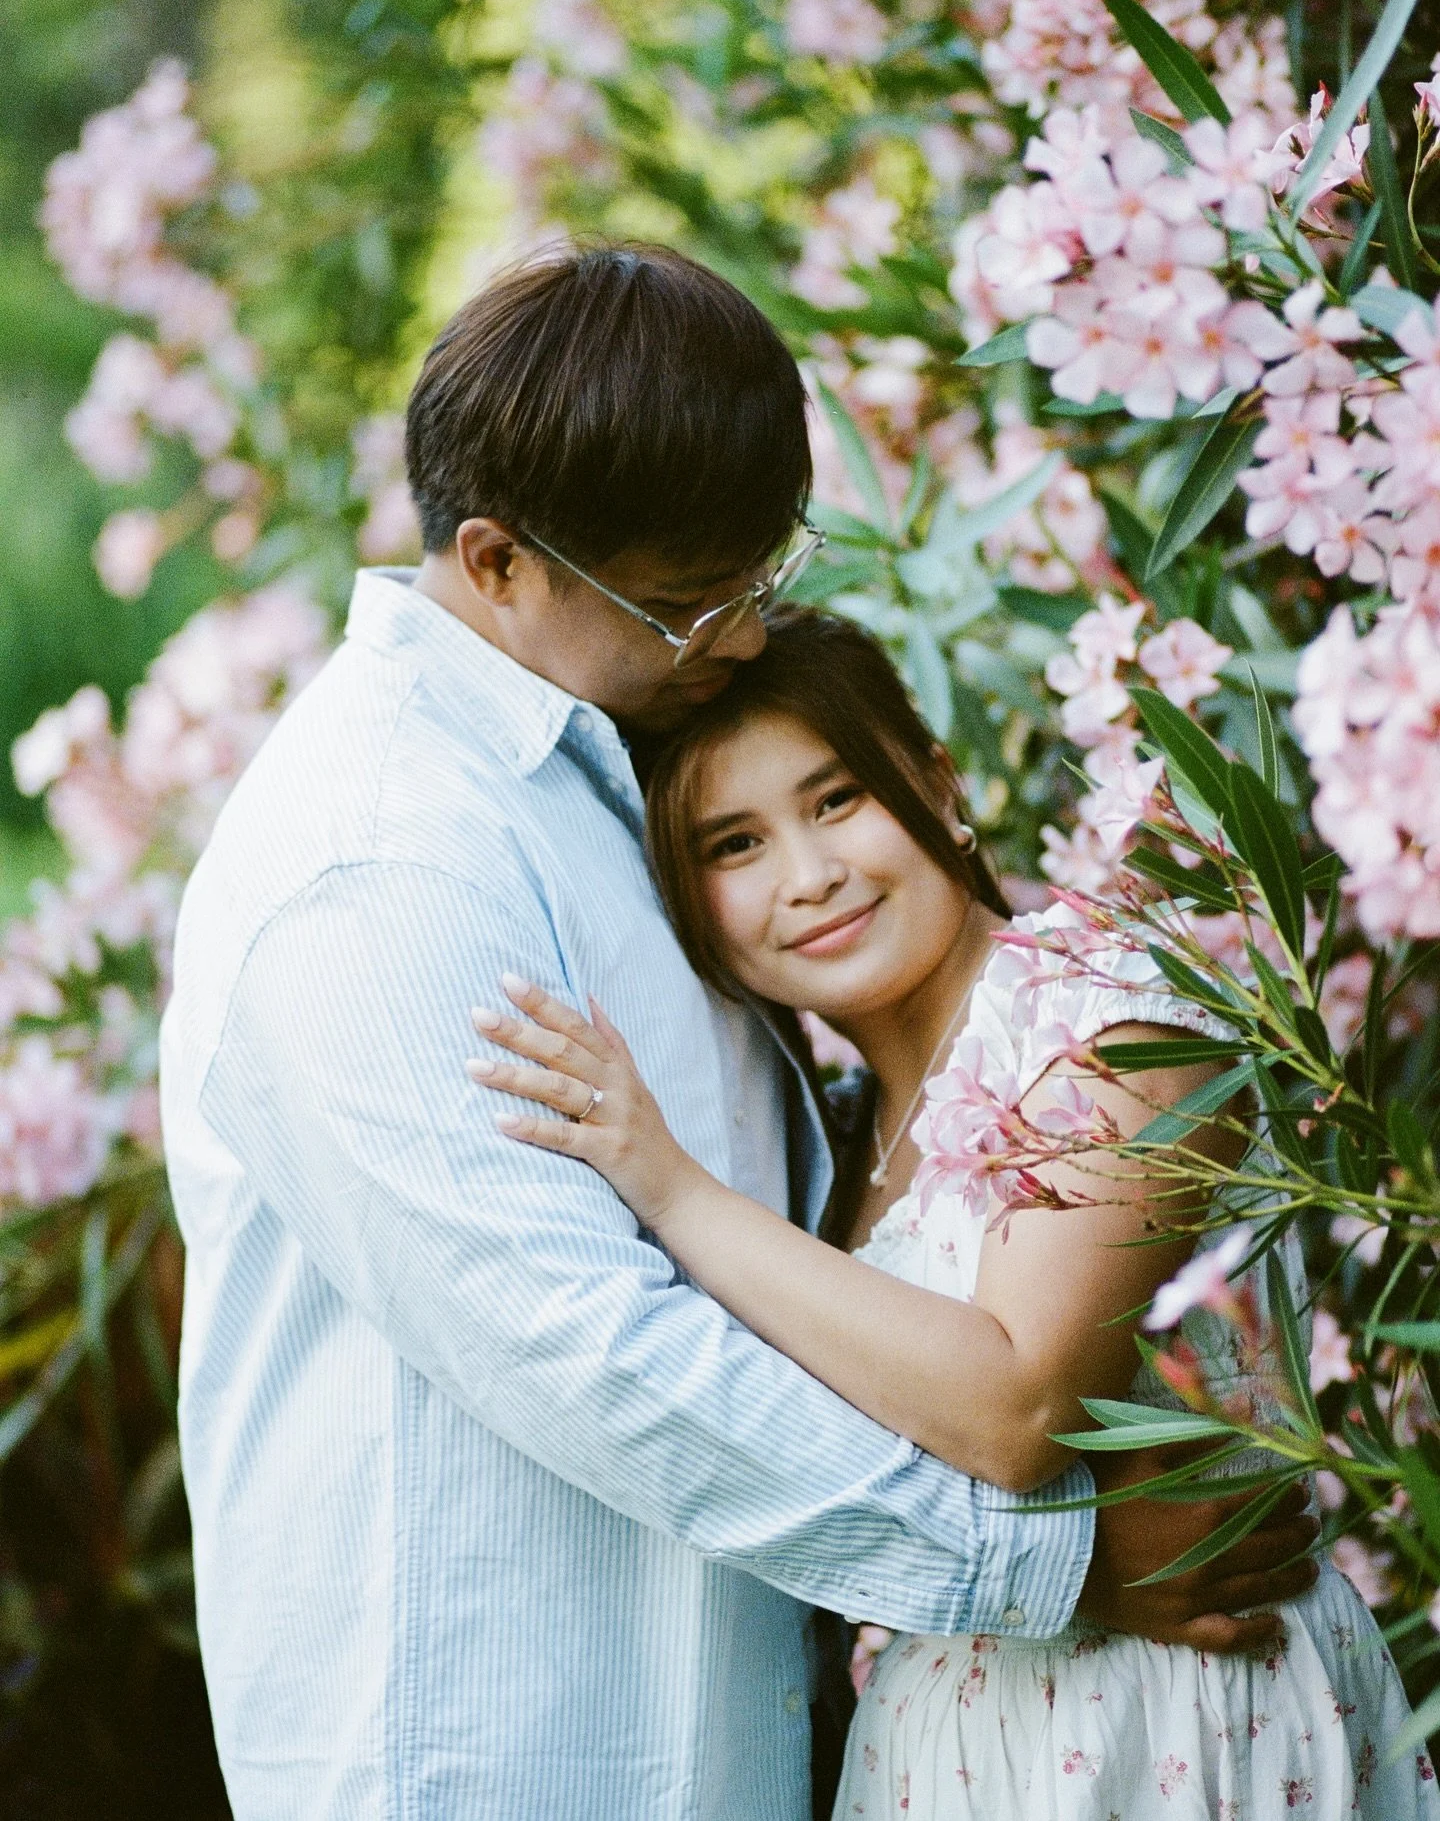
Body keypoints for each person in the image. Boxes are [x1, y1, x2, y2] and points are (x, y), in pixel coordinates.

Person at [161, 243, 1317, 1821]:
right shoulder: (382, 861)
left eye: (763, 574)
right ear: (498, 563)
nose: (752, 634)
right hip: (500, 1753)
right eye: (699, 598)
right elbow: (590, 1348)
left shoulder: (596, 770)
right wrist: (1037, 1563)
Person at [470, 602, 1437, 1819]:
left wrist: (669, 1188)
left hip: (1180, 1724)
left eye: (836, 800)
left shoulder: (1116, 1023)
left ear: (935, 780)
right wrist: (1080, 1567)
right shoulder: (820, 1139)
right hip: (948, 1753)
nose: (810, 876)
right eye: (733, 844)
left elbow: (1018, 1405)